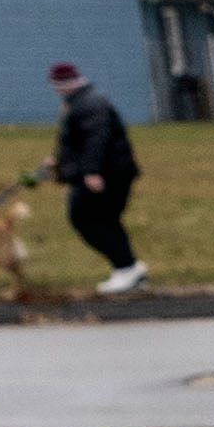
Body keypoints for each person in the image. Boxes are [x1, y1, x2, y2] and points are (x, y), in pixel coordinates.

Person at [47, 62, 145, 293]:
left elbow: (97, 139)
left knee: (85, 219)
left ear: (68, 83)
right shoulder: (82, 101)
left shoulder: (89, 103)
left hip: (106, 174)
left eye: (59, 85)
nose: (57, 90)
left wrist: (92, 172)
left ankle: (126, 267)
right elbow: (76, 141)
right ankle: (129, 267)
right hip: (109, 172)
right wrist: (58, 162)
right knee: (106, 221)